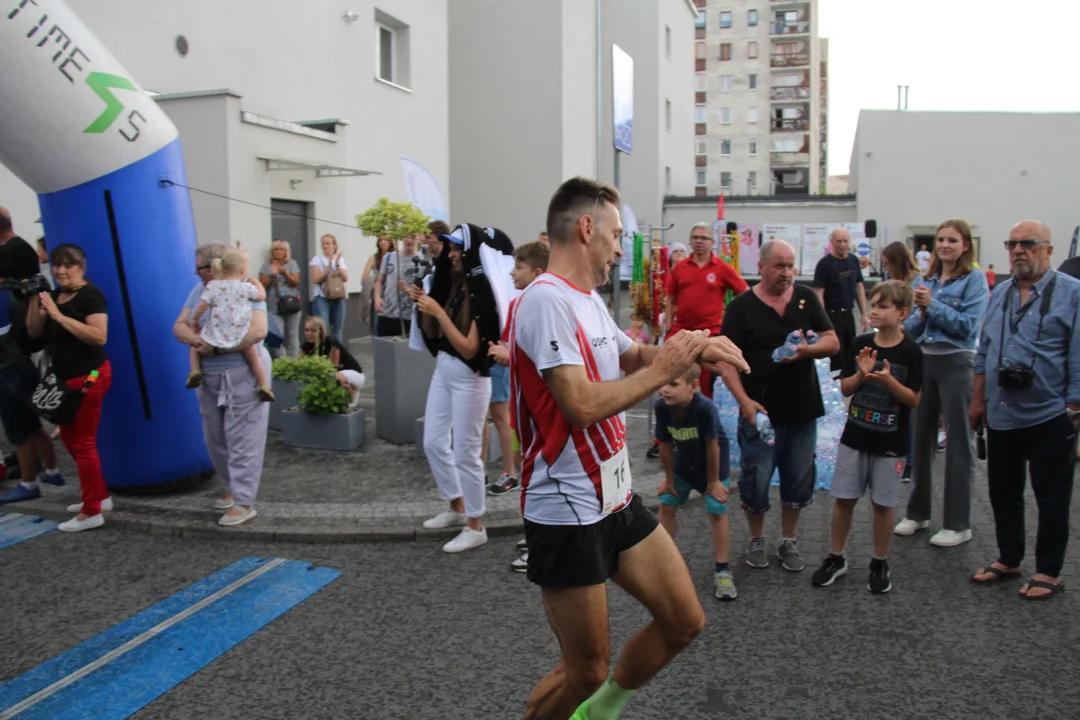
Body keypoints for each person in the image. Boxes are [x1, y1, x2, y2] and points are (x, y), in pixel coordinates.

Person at [511, 177, 748, 720]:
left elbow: (634, 354)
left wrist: (692, 348)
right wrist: (665, 368)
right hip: (566, 506)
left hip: (614, 497)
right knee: (585, 670)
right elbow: (581, 405)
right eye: (616, 235)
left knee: (684, 620)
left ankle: (599, 713)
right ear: (586, 228)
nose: (621, 247)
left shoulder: (586, 299)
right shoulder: (544, 299)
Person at [970, 221, 1080, 600]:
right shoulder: (999, 292)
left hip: (1050, 413)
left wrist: (1073, 409)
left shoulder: (1073, 294)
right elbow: (984, 351)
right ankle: (1009, 557)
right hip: (1002, 413)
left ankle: (1049, 570)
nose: (1018, 250)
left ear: (1048, 251)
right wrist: (977, 399)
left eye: (1028, 244)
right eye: (1012, 244)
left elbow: (1079, 356)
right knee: (1003, 490)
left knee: (1052, 495)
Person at [718, 239, 839, 572]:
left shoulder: (806, 298)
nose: (787, 273)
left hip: (802, 409)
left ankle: (789, 539)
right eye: (780, 266)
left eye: (791, 266)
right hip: (760, 412)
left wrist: (805, 351)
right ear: (761, 267)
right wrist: (744, 402)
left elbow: (832, 340)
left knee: (798, 478)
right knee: (756, 478)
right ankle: (756, 539)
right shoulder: (741, 307)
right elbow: (725, 361)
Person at [811, 281, 923, 594]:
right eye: (872, 304)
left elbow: (914, 399)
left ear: (902, 313)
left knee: (882, 505)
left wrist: (888, 381)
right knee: (844, 499)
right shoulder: (861, 343)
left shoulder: (911, 351)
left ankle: (879, 560)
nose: (873, 311)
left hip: (891, 444)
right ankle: (836, 557)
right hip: (855, 438)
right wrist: (861, 374)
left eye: (882, 306)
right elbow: (845, 388)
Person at [408, 224, 512, 553]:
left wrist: (438, 312)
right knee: (434, 442)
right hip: (444, 369)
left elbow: (470, 349)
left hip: (470, 377)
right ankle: (457, 505)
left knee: (467, 452)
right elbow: (436, 336)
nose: (450, 254)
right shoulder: (454, 283)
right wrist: (423, 304)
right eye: (449, 248)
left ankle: (476, 524)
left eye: (456, 249)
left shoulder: (481, 293)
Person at [894, 219, 988, 547]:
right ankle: (918, 513)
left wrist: (932, 306)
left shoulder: (974, 280)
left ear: (965, 245)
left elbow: (967, 327)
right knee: (920, 440)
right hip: (926, 361)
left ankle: (958, 523)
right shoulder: (926, 279)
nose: (945, 245)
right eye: (940, 239)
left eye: (952, 240)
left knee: (960, 442)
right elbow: (912, 330)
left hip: (958, 363)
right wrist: (920, 314)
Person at [174, 242, 270, 527]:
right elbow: (180, 324)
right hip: (209, 376)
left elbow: (258, 331)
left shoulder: (245, 287)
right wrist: (194, 340)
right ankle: (232, 486)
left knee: (243, 439)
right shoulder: (201, 290)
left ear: (217, 265)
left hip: (242, 373)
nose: (196, 272)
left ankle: (244, 500)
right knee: (215, 438)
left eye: (200, 267)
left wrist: (215, 348)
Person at [24, 244, 111, 532]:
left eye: (68, 265)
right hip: (65, 380)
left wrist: (60, 316)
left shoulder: (91, 295)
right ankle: (100, 496)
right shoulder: (55, 296)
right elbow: (34, 331)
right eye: (57, 265)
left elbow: (99, 337)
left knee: (84, 443)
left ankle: (91, 512)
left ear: (81, 267)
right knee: (73, 442)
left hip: (89, 375)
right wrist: (34, 303)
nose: (61, 270)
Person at [488, 240, 549, 570]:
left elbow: (542, 358)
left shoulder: (542, 304)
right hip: (522, 407)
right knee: (528, 469)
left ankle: (543, 543)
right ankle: (536, 532)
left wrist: (506, 355)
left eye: (519, 267)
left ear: (538, 272)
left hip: (538, 408)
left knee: (539, 473)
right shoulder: (518, 303)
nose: (512, 272)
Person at [655, 363, 736, 601]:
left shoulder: (705, 408)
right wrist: (669, 480)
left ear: (693, 387)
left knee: (716, 512)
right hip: (684, 464)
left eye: (673, 384)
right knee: (667, 504)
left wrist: (713, 482)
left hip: (712, 466)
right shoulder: (662, 406)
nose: (665, 389)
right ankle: (666, 562)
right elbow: (666, 445)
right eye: (664, 383)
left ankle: (722, 569)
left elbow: (713, 446)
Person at [0, 208, 65, 506]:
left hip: (8, 364)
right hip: (20, 357)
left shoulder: (8, 289)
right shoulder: (18, 289)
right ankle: (50, 470)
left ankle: (29, 483)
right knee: (31, 422)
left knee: (20, 429)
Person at [664, 224, 750, 403]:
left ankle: (703, 419)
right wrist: (669, 328)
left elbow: (745, 293)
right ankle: (671, 416)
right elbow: (670, 299)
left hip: (710, 333)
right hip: (682, 331)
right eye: (695, 237)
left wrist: (734, 321)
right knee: (671, 376)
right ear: (690, 241)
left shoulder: (722, 267)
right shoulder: (680, 267)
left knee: (704, 384)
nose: (699, 241)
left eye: (703, 238)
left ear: (712, 242)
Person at [188, 248, 273, 401]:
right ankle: (263, 385)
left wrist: (195, 319)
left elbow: (202, 305)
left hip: (215, 331)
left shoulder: (213, 286)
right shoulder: (245, 287)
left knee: (195, 346)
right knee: (253, 357)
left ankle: (194, 370)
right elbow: (262, 296)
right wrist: (256, 282)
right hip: (239, 332)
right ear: (243, 271)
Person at [813, 227, 869, 372]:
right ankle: (835, 382)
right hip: (832, 314)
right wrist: (822, 319)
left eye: (845, 241)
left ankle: (848, 381)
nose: (842, 245)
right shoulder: (824, 264)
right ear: (832, 242)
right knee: (836, 352)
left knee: (851, 351)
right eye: (839, 241)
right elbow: (819, 292)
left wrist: (864, 314)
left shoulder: (853, 260)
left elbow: (859, 286)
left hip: (848, 314)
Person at [300, 315, 366, 408]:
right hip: (336, 375)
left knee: (333, 377)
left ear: (320, 332)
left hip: (354, 374)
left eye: (313, 331)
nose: (309, 333)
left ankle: (352, 392)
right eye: (307, 330)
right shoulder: (304, 347)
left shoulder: (331, 343)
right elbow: (303, 366)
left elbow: (333, 367)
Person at [374, 233, 426, 338]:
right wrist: (377, 298)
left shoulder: (423, 261)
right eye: (406, 235)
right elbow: (379, 281)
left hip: (410, 318)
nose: (409, 240)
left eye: (413, 236)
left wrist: (406, 289)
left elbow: (424, 291)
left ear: (419, 238)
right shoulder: (389, 257)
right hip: (387, 314)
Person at [259, 240, 302, 359]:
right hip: (274, 305)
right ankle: (282, 364)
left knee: (293, 335)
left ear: (286, 252)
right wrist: (272, 275)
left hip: (291, 304)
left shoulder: (292, 264)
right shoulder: (266, 266)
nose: (278, 252)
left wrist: (285, 274)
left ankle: (293, 364)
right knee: (277, 336)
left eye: (281, 249)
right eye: (275, 249)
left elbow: (296, 282)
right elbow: (263, 285)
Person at [309, 233, 348, 342]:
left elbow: (345, 278)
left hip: (338, 297)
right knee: (323, 329)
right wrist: (329, 267)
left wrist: (337, 265)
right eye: (323, 244)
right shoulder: (317, 259)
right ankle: (323, 356)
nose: (325, 246)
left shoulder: (339, 259)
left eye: (328, 243)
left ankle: (337, 356)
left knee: (337, 330)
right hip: (321, 297)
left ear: (334, 245)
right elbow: (315, 279)